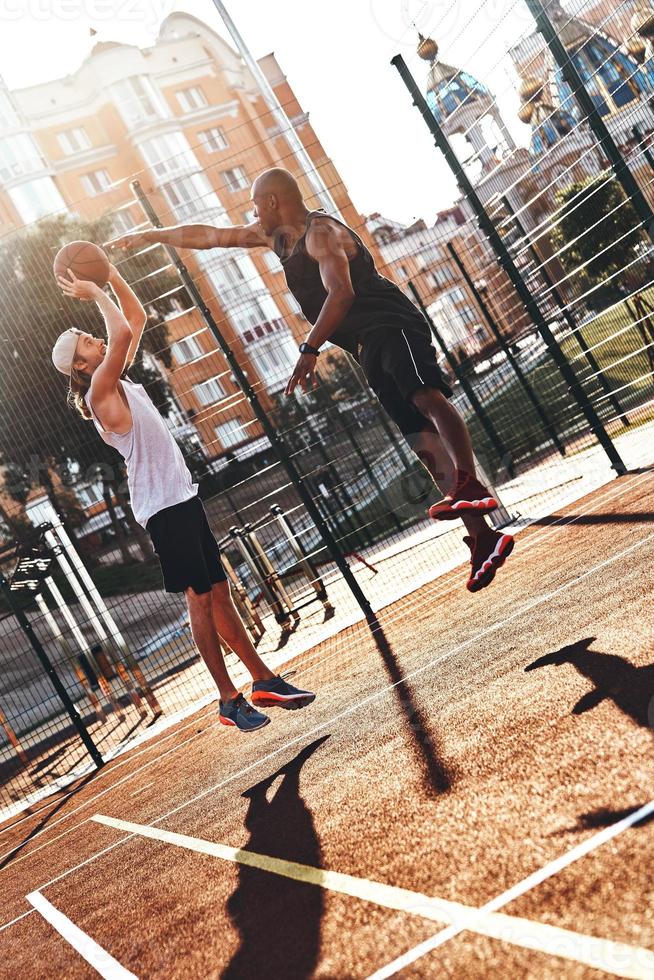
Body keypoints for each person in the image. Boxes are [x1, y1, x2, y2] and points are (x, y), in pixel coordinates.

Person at [111, 168, 514, 592]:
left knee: (425, 397)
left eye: (254, 204)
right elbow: (213, 235)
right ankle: (483, 536)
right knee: (420, 439)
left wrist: (308, 349)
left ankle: (469, 480)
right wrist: (154, 235)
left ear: (271, 202)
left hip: (390, 324)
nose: (250, 213)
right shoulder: (277, 238)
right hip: (364, 344)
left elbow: (342, 293)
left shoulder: (321, 234)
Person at [51, 262, 315, 732]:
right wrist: (94, 291)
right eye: (87, 341)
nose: (97, 339)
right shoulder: (99, 390)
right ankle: (227, 699)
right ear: (80, 364)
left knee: (218, 593)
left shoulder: (116, 379)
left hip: (180, 499)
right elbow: (116, 326)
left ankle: (263, 680)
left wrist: (110, 272)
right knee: (199, 598)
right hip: (163, 510)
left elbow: (133, 320)